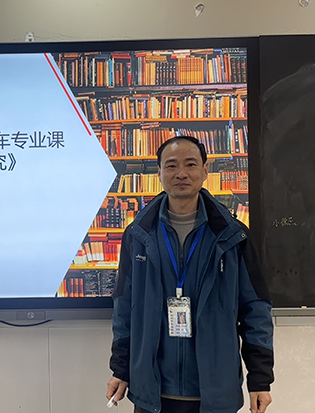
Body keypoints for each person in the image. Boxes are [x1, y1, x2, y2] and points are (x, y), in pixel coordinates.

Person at [106, 136, 274, 413]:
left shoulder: (234, 236)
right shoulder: (138, 235)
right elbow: (124, 308)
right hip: (152, 392)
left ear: (205, 170)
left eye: (191, 164)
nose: (181, 173)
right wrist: (120, 369)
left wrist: (260, 379)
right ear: (160, 173)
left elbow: (255, 310)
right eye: (171, 165)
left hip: (214, 393)